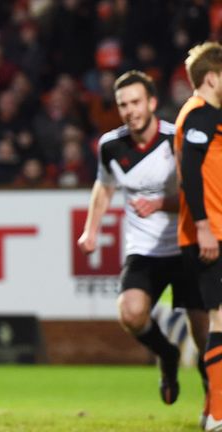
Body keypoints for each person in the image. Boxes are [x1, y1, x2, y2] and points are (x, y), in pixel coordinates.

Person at [77, 70, 208, 408]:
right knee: (131, 314)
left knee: (204, 330)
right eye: (123, 104)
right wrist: (91, 229)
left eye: (136, 102)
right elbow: (104, 186)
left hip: (184, 245)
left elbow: (198, 192)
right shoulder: (111, 145)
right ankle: (167, 355)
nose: (130, 110)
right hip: (144, 251)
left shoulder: (175, 138)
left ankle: (213, 398)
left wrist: (162, 203)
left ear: (151, 102)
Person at [175, 41, 222, 432]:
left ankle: (211, 410)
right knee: (220, 319)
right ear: (211, 77)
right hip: (210, 232)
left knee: (217, 319)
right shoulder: (201, 114)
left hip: (210, 230)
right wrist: (205, 226)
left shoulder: (202, 115)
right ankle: (219, 415)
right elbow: (189, 173)